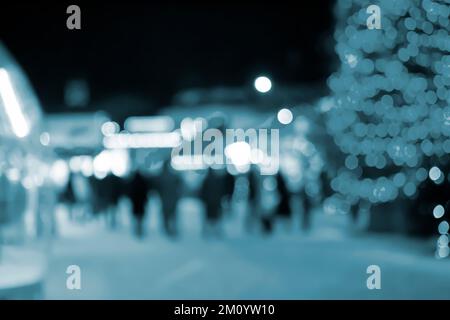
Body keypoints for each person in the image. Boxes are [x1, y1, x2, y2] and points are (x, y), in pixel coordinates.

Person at [156, 161, 181, 238]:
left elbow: (158, 189)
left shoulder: (161, 177)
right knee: (172, 216)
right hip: (172, 200)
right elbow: (178, 188)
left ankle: (167, 230)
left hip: (165, 200)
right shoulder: (173, 176)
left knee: (166, 216)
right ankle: (173, 230)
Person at [128, 170, 149, 238]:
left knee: (136, 216)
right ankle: (140, 230)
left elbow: (130, 192)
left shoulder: (132, 181)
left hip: (135, 202)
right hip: (141, 202)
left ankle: (137, 230)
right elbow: (146, 191)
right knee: (141, 217)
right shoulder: (143, 181)